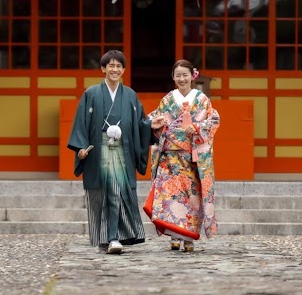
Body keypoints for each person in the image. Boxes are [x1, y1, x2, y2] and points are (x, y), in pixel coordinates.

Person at [67, 50, 164, 255]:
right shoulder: (91, 93)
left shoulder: (129, 95)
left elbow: (139, 124)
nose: (115, 69)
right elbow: (81, 124)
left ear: (123, 70)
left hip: (122, 150)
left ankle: (112, 237)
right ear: (103, 68)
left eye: (119, 66)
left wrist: (150, 125)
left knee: (116, 191)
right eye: (110, 65)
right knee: (105, 192)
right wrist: (81, 148)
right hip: (99, 149)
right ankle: (110, 237)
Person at [148, 60, 220, 252]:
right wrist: (155, 123)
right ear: (173, 77)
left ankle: (188, 238)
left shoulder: (202, 99)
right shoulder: (167, 100)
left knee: (192, 199)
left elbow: (213, 120)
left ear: (192, 76)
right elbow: (154, 120)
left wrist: (196, 128)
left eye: (185, 75)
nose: (181, 79)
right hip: (170, 159)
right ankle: (174, 236)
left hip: (192, 158)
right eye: (177, 75)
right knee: (171, 198)